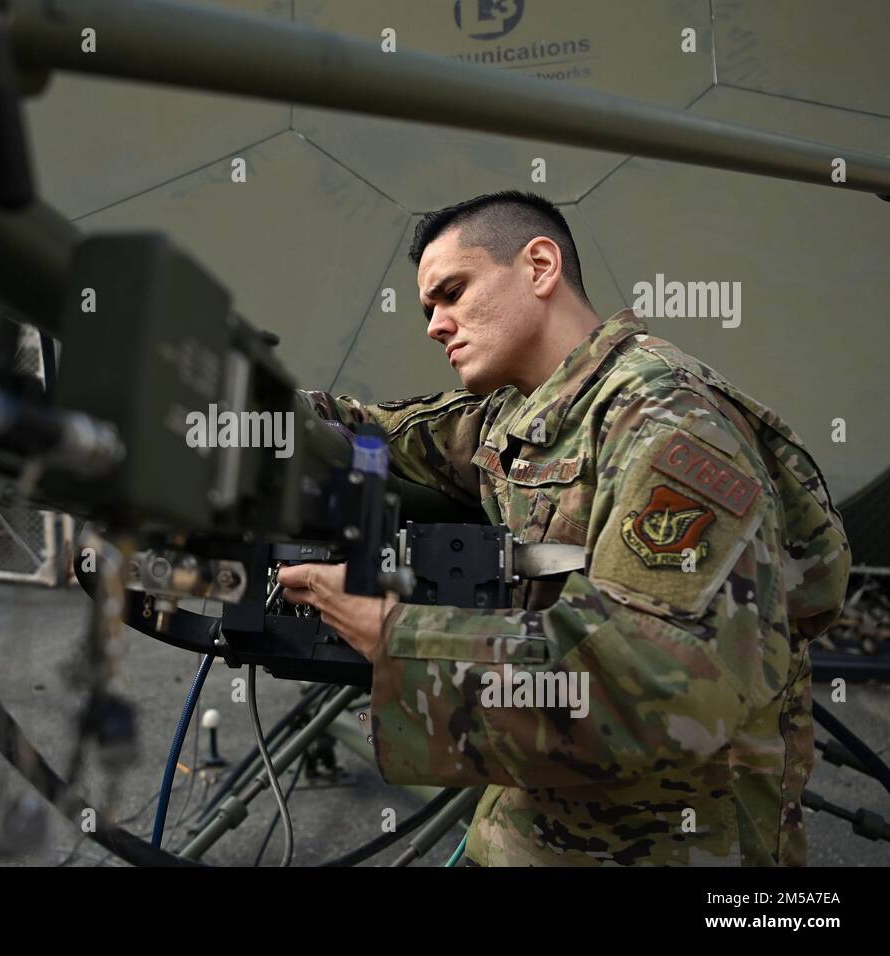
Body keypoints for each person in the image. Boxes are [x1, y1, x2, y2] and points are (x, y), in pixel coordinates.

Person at [278, 191, 850, 866]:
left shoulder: (669, 426)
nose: (435, 324)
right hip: (548, 812)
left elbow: (655, 686)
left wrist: (391, 633)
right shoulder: (523, 415)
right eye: (429, 309)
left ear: (541, 266)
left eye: (452, 293)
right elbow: (379, 433)